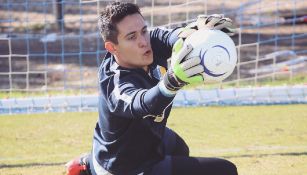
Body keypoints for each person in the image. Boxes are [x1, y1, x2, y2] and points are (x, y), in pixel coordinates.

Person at [65, 2, 238, 175]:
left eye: (144, 31)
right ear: (112, 47)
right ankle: (89, 168)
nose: (143, 42)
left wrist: (199, 35)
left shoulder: (150, 42)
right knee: (225, 171)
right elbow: (142, 103)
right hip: (125, 167)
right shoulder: (115, 83)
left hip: (143, 135)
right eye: (131, 37)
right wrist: (171, 82)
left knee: (179, 148)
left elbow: (174, 37)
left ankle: (86, 165)